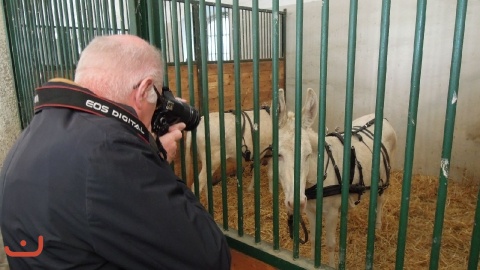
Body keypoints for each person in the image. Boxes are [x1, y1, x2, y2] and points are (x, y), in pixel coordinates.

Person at [0, 34, 231, 269]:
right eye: (158, 98)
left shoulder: (29, 138)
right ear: (145, 89)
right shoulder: (111, 152)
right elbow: (210, 257)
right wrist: (155, 158)